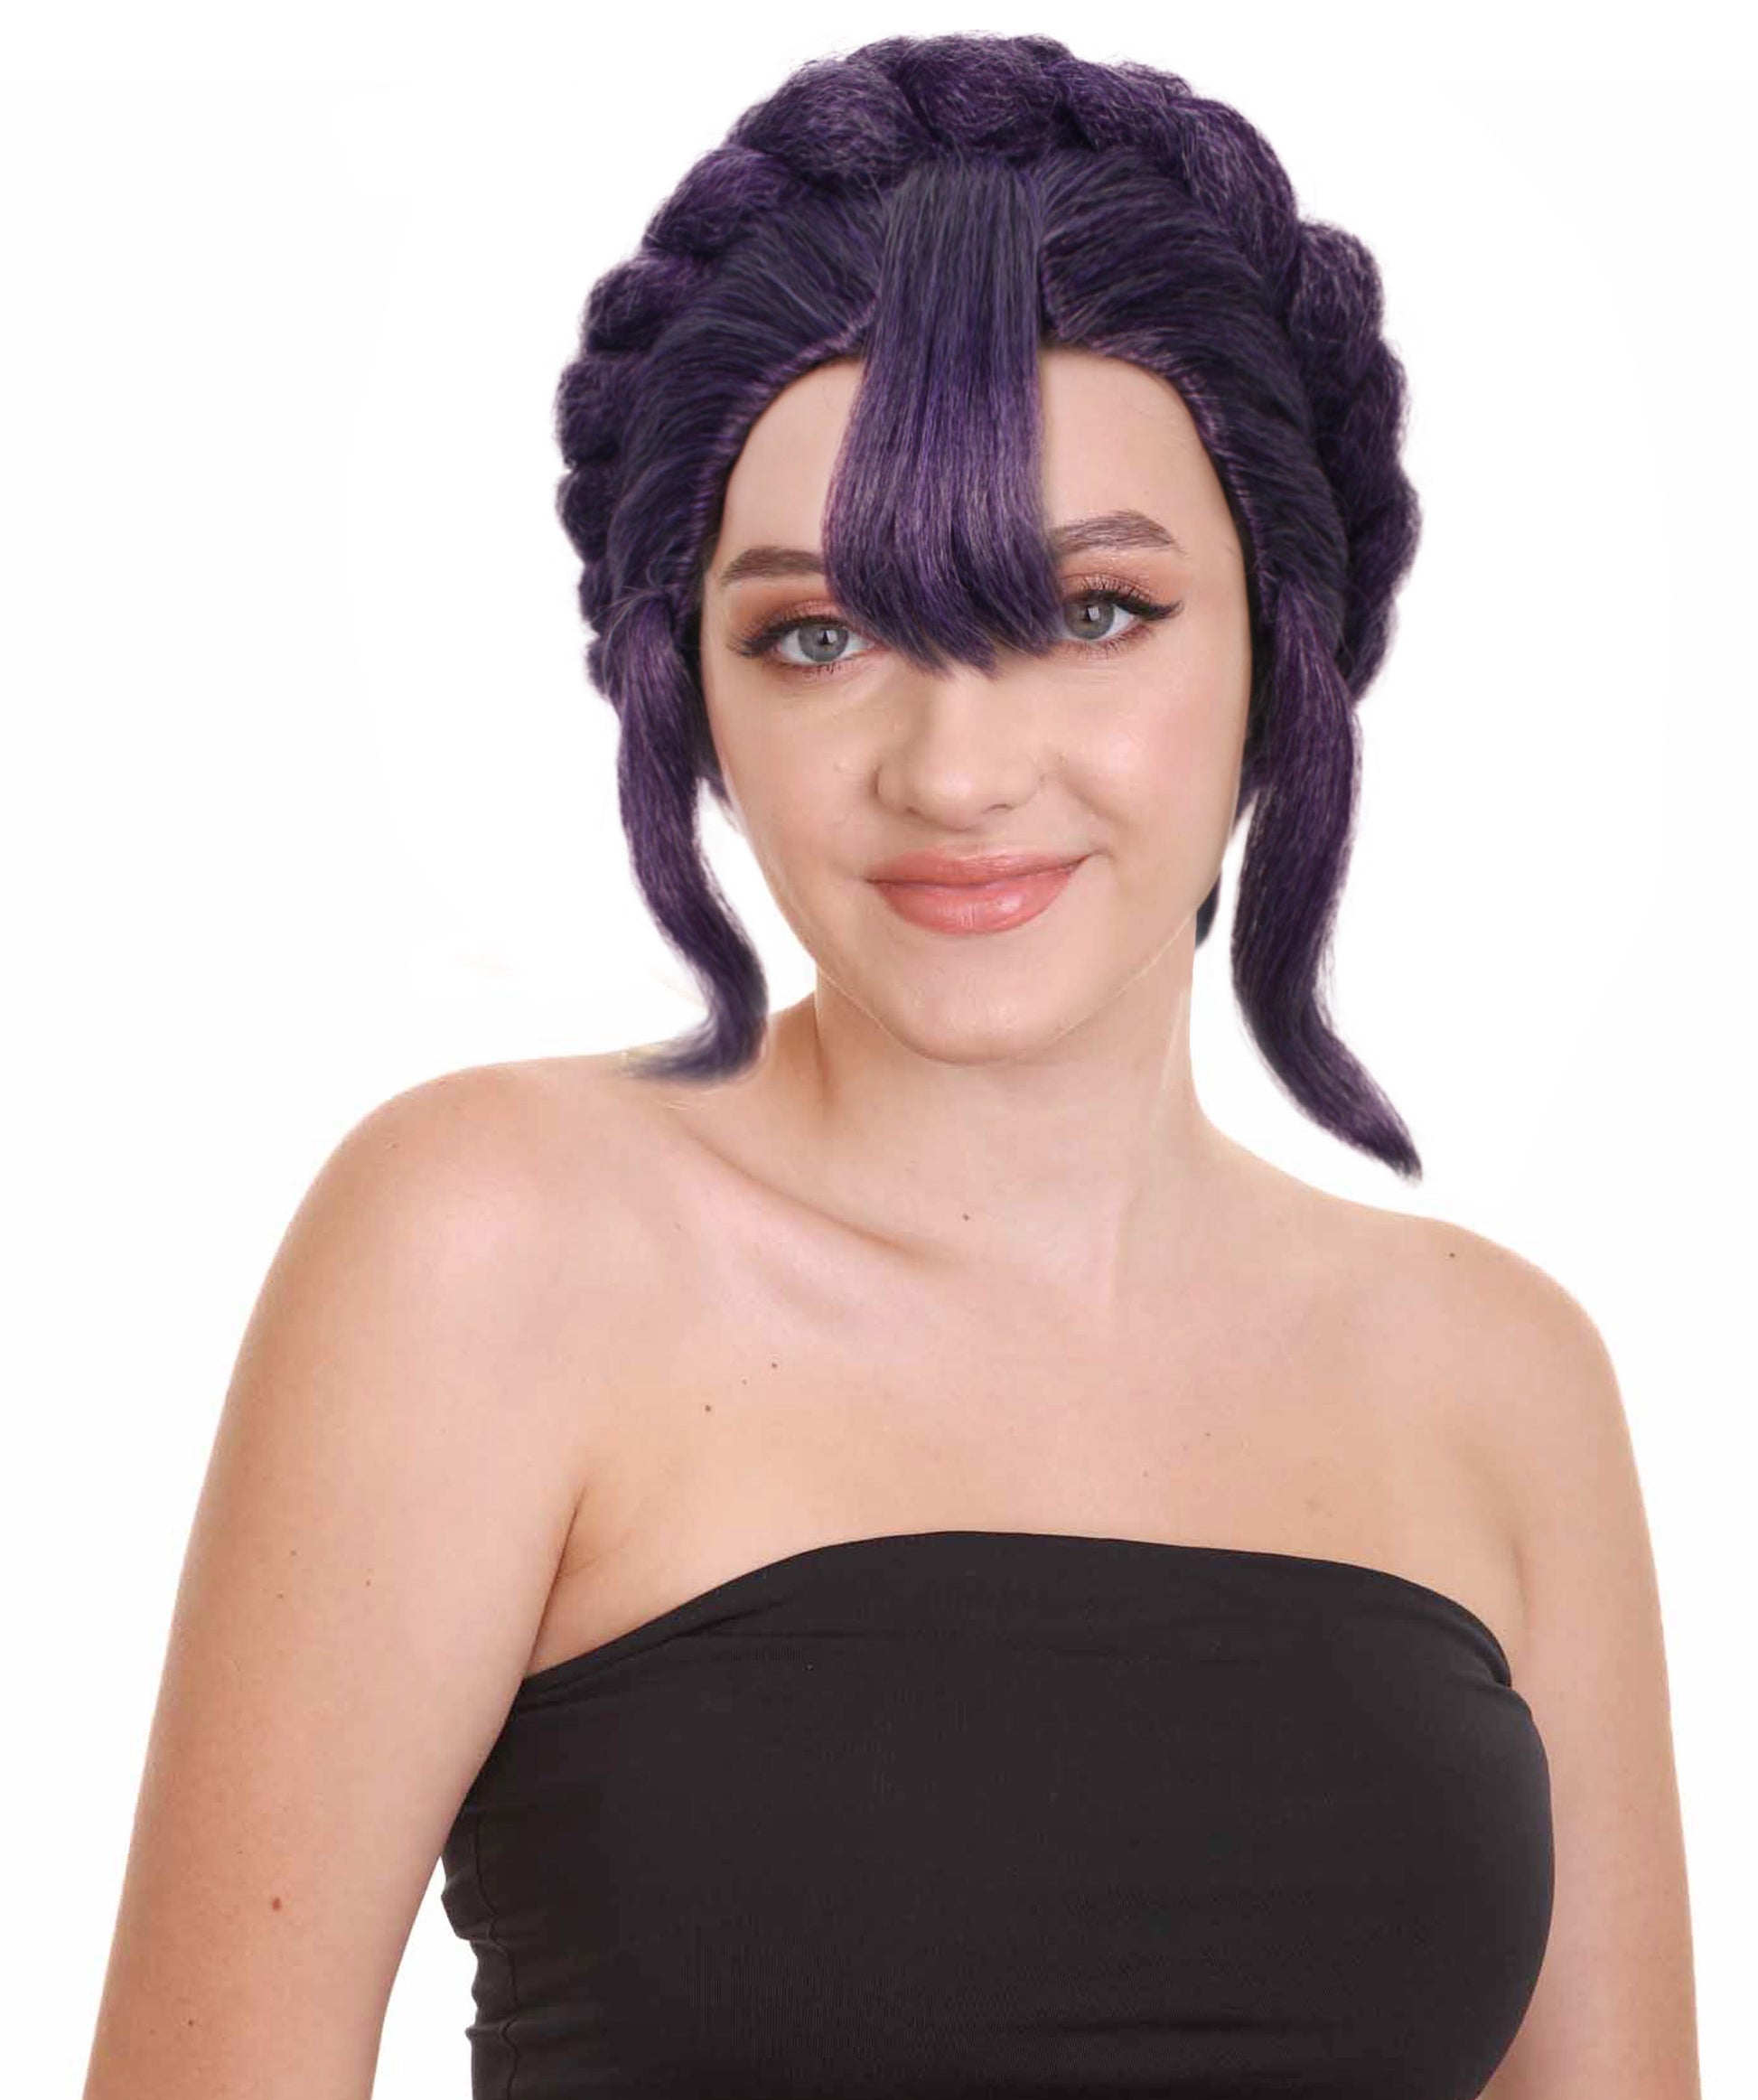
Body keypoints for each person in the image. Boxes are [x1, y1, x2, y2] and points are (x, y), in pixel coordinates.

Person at [80, 31, 1698, 2100]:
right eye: (819, 634)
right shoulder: (491, 1247)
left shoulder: (1499, 1374)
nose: (952, 769)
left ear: (1278, 647)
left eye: (1093, 610)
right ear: (694, 691)